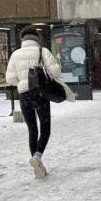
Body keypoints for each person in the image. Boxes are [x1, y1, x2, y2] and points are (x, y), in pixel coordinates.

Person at [6, 25, 68, 178]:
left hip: (24, 95)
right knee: (45, 128)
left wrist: (22, 81)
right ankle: (37, 157)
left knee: (32, 130)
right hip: (40, 93)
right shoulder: (42, 51)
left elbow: (10, 78)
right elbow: (56, 72)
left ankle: (37, 168)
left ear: (23, 39)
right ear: (36, 38)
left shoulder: (15, 54)